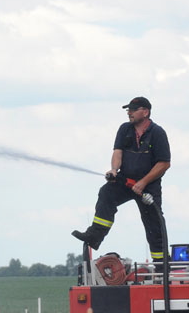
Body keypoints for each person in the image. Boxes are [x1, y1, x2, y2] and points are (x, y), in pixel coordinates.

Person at [72, 96, 171, 262]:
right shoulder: (124, 129)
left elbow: (164, 163)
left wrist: (143, 182)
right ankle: (94, 236)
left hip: (148, 187)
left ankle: (163, 266)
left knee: (154, 225)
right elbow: (117, 152)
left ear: (145, 112)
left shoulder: (158, 133)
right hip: (125, 181)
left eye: (133, 110)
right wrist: (114, 170)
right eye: (128, 110)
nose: (129, 113)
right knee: (106, 193)